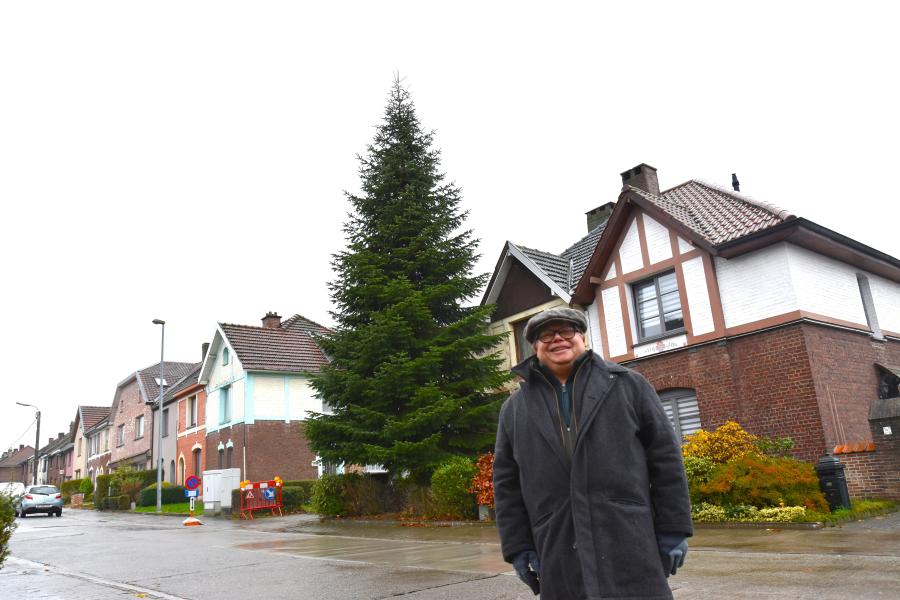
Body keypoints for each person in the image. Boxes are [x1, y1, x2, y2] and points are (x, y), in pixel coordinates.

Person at [493, 307, 692, 599]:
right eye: (546, 335)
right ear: (534, 347)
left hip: (628, 536)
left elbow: (666, 459)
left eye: (567, 331)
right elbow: (506, 484)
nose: (557, 338)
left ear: (582, 338)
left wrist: (674, 528)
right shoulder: (514, 408)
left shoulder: (627, 385)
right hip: (557, 542)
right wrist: (517, 546)